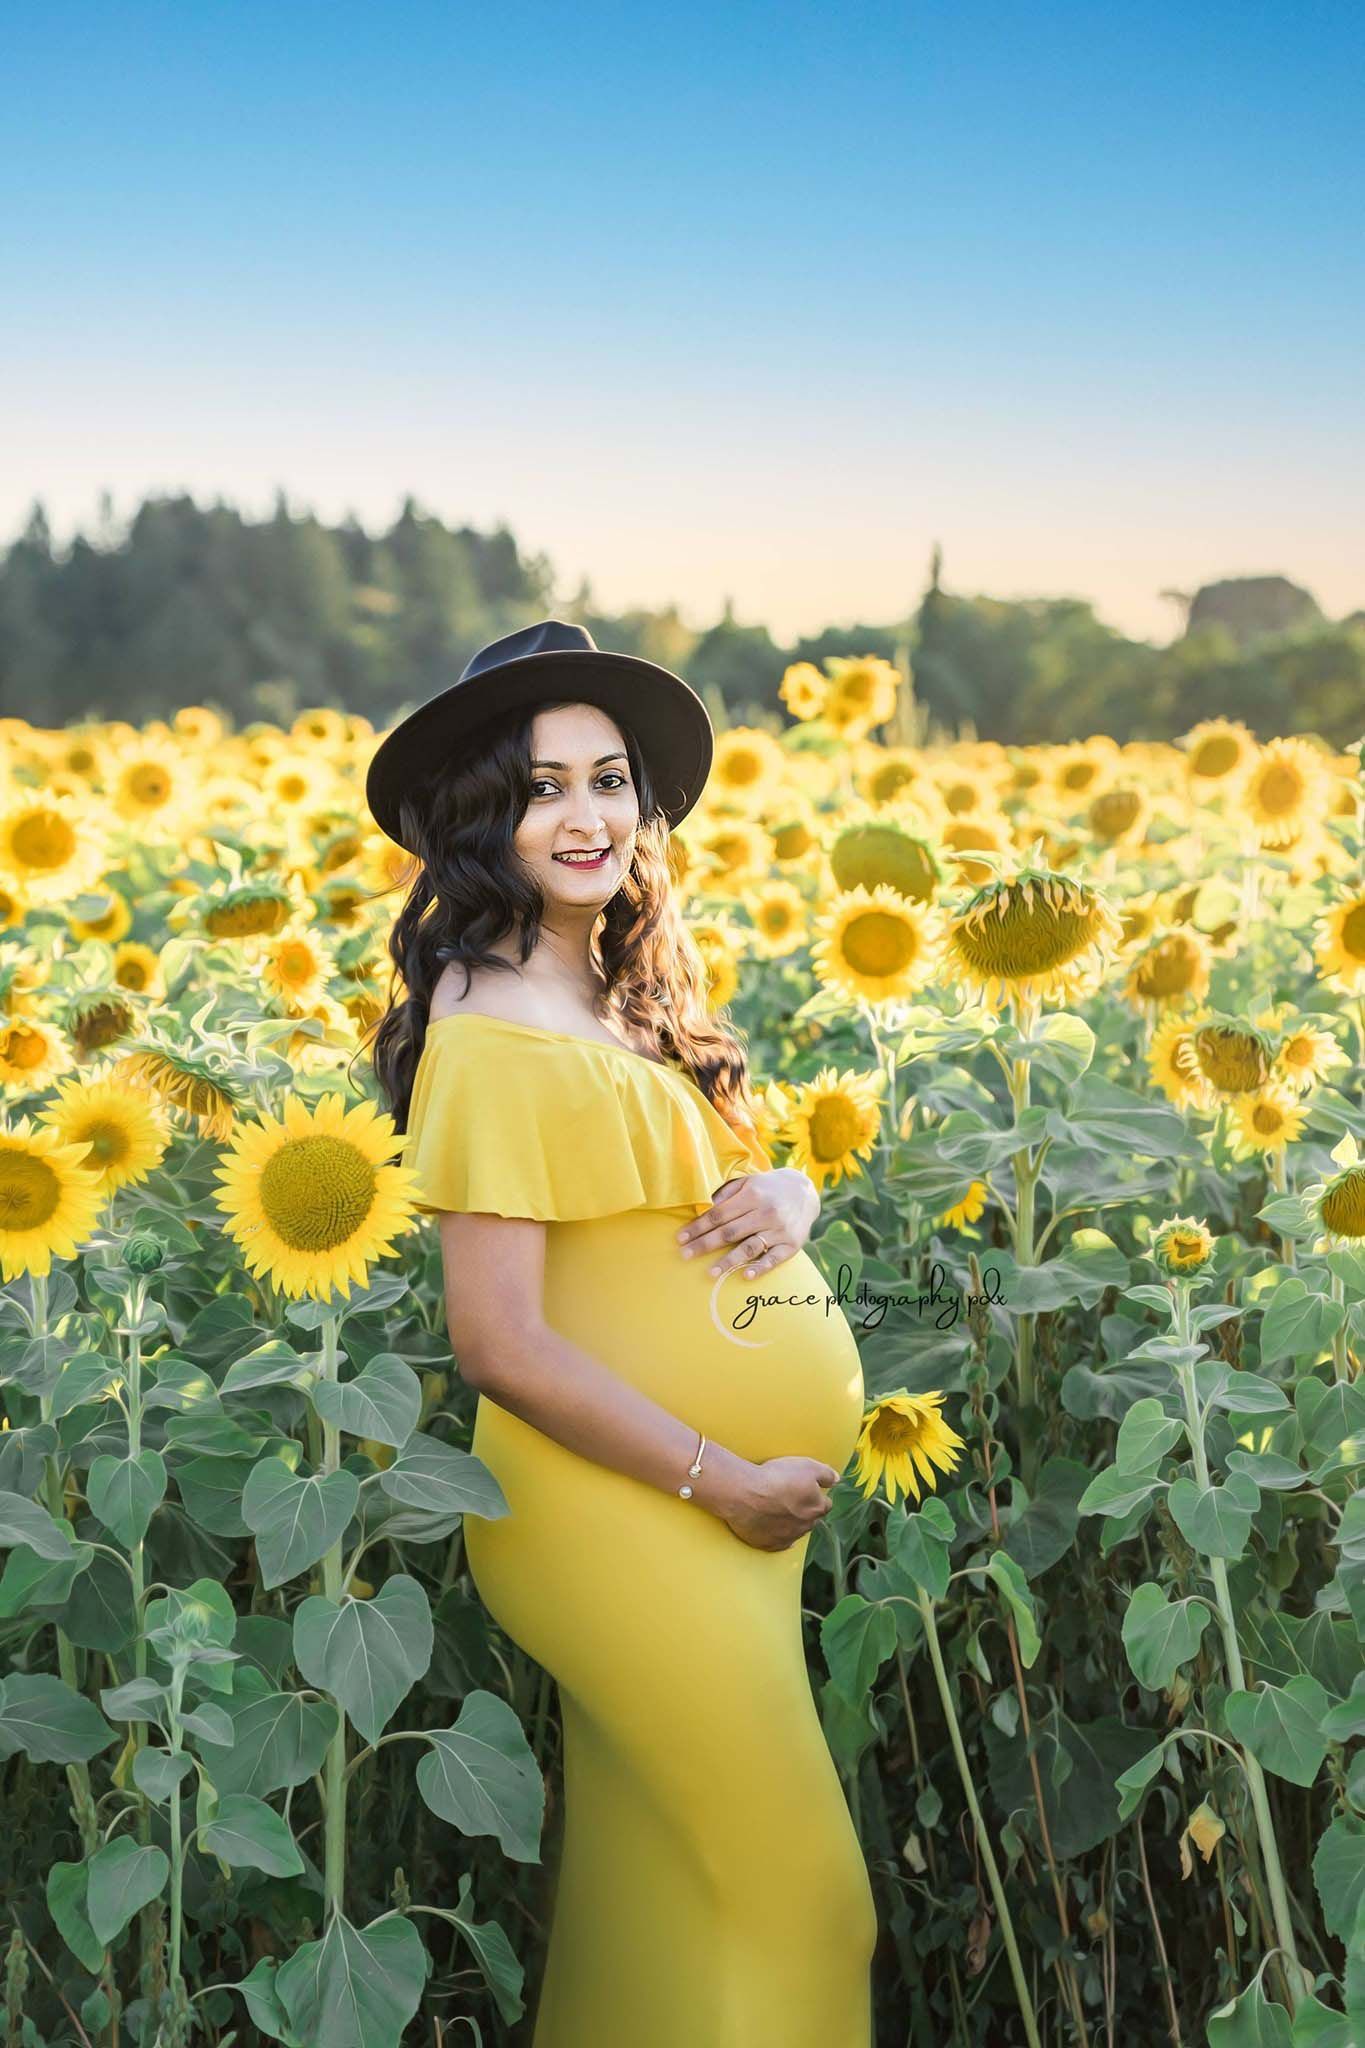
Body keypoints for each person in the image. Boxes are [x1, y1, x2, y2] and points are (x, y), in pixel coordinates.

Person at [366, 620, 877, 2046]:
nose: (583, 817)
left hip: (712, 1505)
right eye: (541, 787)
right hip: (622, 1511)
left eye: (608, 781)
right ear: (484, 814)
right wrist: (724, 1477)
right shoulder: (488, 1018)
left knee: (656, 1894)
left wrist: (793, 1189)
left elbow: (725, 1190)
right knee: (801, 1900)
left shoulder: (622, 985)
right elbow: (501, 1345)